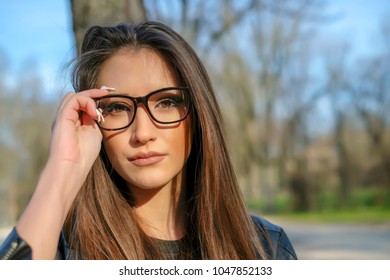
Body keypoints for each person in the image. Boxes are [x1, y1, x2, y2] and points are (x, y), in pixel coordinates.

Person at [0, 21, 297, 260]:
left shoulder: (266, 249)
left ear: (199, 114)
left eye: (167, 102)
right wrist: (62, 168)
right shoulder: (63, 251)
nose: (142, 133)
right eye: (116, 107)